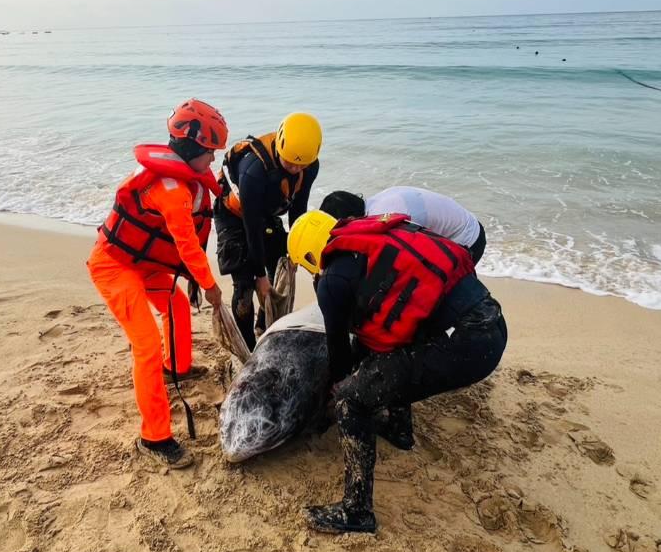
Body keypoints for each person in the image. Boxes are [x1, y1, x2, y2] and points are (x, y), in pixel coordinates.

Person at [287, 210, 507, 533]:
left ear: (309, 255)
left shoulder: (333, 280)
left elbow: (339, 358)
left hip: (466, 344)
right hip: (491, 324)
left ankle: (357, 510)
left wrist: (343, 389)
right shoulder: (376, 237)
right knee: (388, 356)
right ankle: (400, 429)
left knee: (351, 399)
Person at [87, 98, 228, 468]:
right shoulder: (170, 191)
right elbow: (186, 245)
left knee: (177, 306)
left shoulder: (184, 177)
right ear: (192, 147)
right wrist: (211, 287)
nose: (212, 161)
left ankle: (177, 368)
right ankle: (154, 437)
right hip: (113, 265)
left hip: (143, 262)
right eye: (210, 153)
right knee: (146, 343)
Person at [214, 112, 322, 350]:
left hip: (265, 214)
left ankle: (264, 327)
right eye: (289, 162)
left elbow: (298, 210)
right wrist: (259, 276)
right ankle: (249, 347)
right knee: (245, 287)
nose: (295, 168)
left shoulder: (309, 166)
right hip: (234, 217)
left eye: (300, 164)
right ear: (280, 148)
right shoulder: (254, 170)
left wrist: (296, 251)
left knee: (281, 268)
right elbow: (251, 227)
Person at [319, 186, 486, 265]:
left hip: (467, 240)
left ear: (349, 218)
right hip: (465, 226)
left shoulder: (384, 219)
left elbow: (410, 259)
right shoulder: (377, 203)